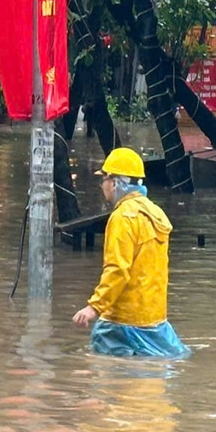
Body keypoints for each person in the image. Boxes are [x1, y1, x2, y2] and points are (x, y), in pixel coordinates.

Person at [72, 148, 190, 358]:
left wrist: (94, 307)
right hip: (154, 317)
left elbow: (117, 270)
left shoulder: (122, 218)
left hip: (122, 321)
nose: (102, 186)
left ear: (115, 182)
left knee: (108, 381)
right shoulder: (155, 212)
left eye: (104, 180)